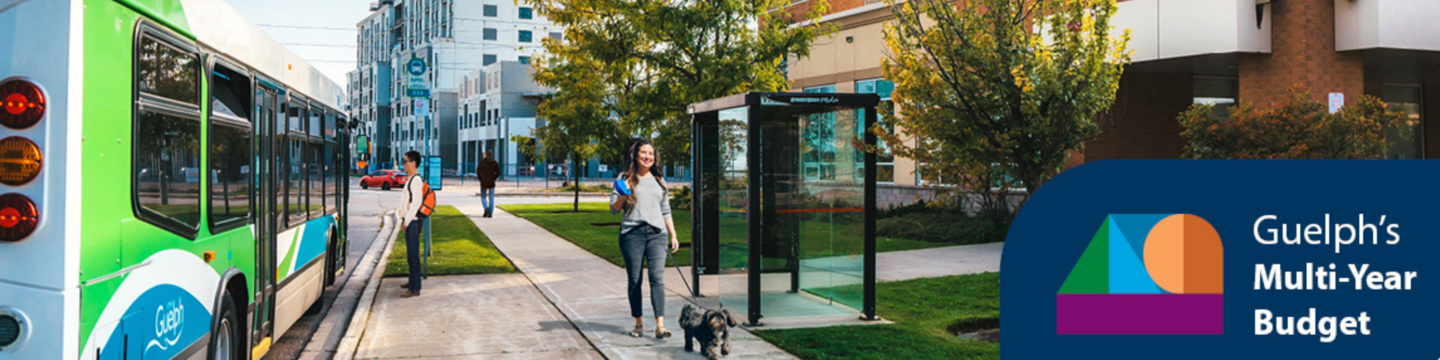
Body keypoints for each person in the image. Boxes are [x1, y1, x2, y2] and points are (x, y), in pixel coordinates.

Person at [610, 140, 679, 339]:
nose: (647, 156)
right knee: (635, 280)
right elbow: (614, 209)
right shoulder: (624, 178)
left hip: (657, 234)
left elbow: (665, 210)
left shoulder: (659, 180)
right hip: (632, 234)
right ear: (636, 155)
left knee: (657, 279)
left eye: (651, 153)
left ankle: (660, 326)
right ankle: (639, 324)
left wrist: (673, 234)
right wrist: (625, 194)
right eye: (643, 153)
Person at [397, 151, 427, 298]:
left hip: (413, 222)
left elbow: (416, 203)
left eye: (405, 161)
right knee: (410, 255)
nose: (404, 164)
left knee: (413, 255)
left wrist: (407, 221)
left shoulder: (416, 180)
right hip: (409, 220)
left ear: (413, 163)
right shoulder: (411, 179)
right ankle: (412, 281)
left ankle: (415, 288)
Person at [477, 151, 501, 217]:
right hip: (491, 182)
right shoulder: (494, 163)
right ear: (491, 154)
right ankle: (490, 213)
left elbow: (478, 172)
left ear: (486, 154)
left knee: (483, 196)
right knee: (491, 198)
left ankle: (486, 207)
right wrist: (494, 178)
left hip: (484, 181)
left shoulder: (482, 162)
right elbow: (498, 172)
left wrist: (481, 179)